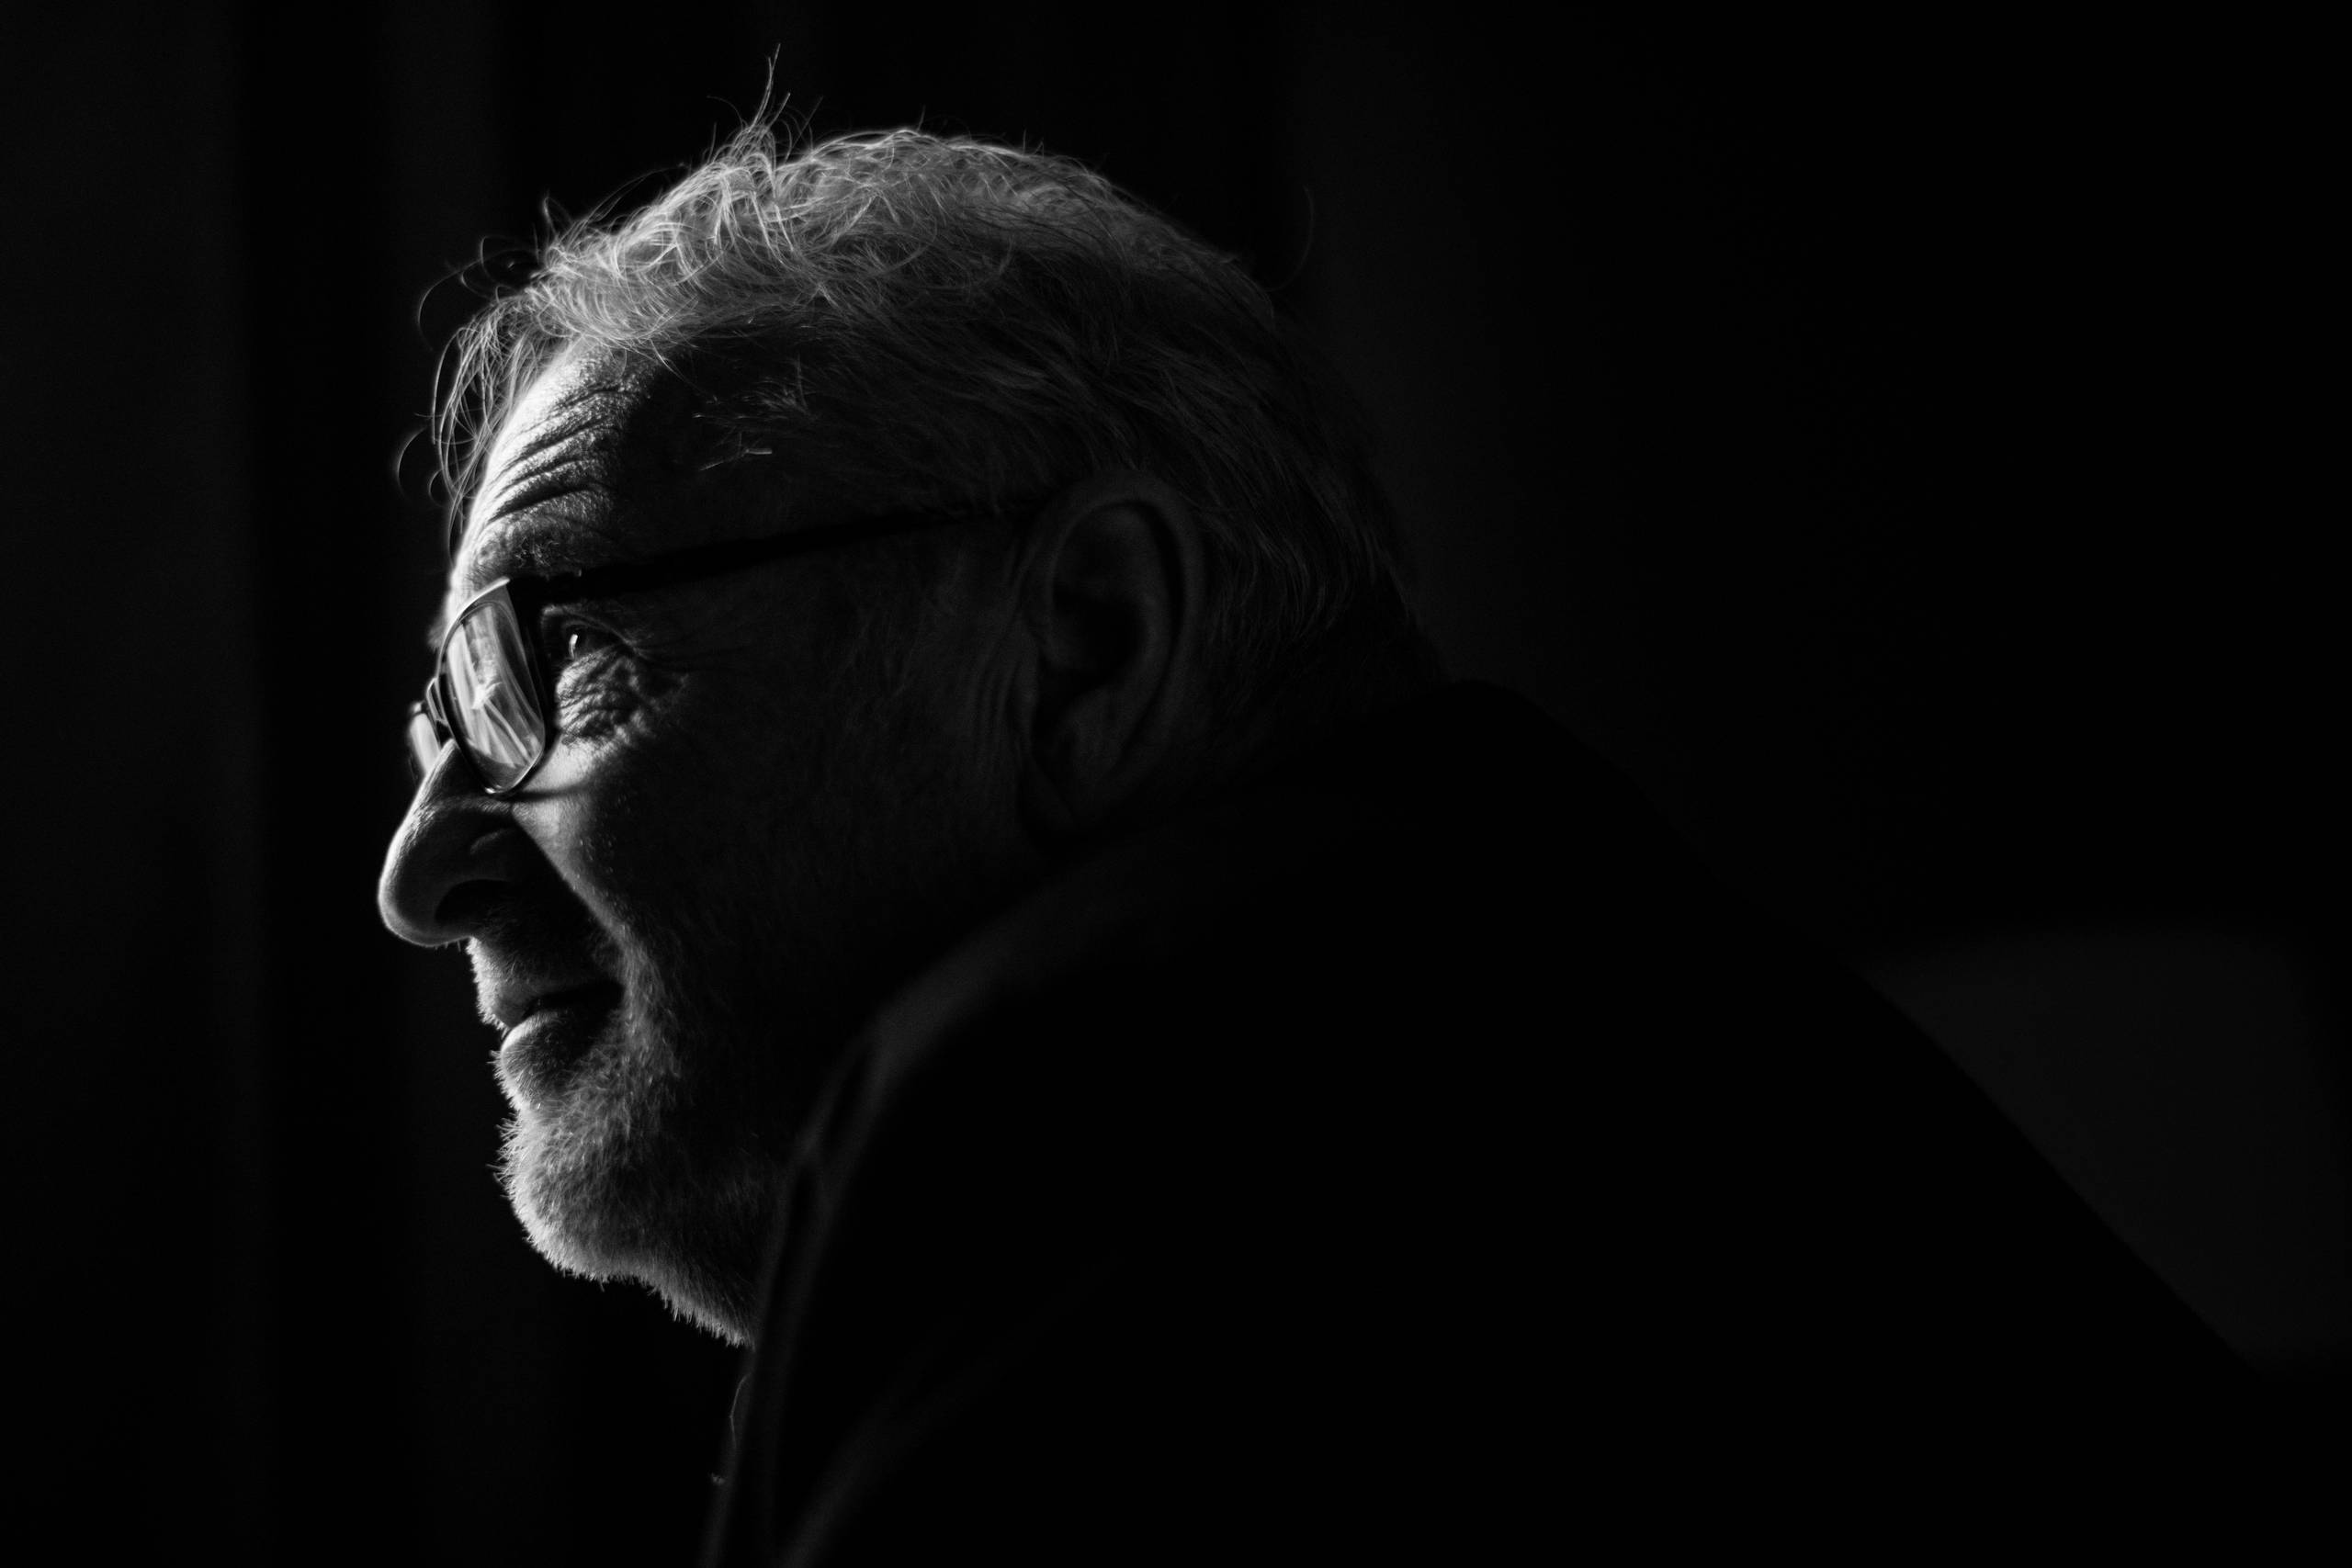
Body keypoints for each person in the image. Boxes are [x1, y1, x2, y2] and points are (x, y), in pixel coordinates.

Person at [379, 124, 2266, 1561]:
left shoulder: (1121, 1082)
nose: (417, 874)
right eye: (436, 738)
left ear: (1087, 640)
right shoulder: (1540, 994)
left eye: (545, 667)